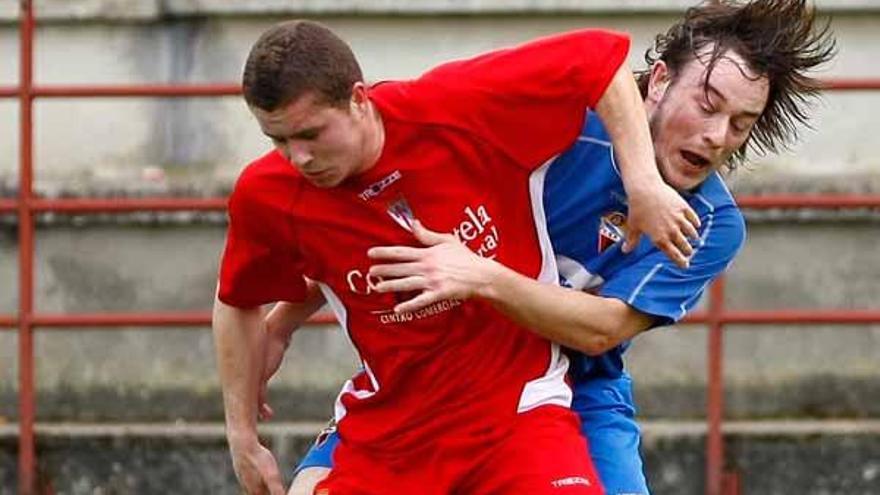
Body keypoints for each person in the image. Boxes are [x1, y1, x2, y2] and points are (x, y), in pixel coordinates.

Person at [274, 1, 836, 494]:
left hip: (581, 385)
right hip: (449, 374)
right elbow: (396, 212)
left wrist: (484, 276)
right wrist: (287, 314)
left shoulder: (713, 223)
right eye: (708, 105)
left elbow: (601, 329)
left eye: (741, 123)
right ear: (659, 81)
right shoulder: (561, 126)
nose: (717, 135)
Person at [213, 18, 702, 495]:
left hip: (519, 416)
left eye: (312, 134)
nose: (299, 158)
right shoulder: (268, 194)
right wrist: (242, 435)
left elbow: (600, 57)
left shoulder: (455, 107)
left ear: (359, 99)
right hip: (393, 441)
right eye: (279, 140)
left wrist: (643, 183)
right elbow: (236, 299)